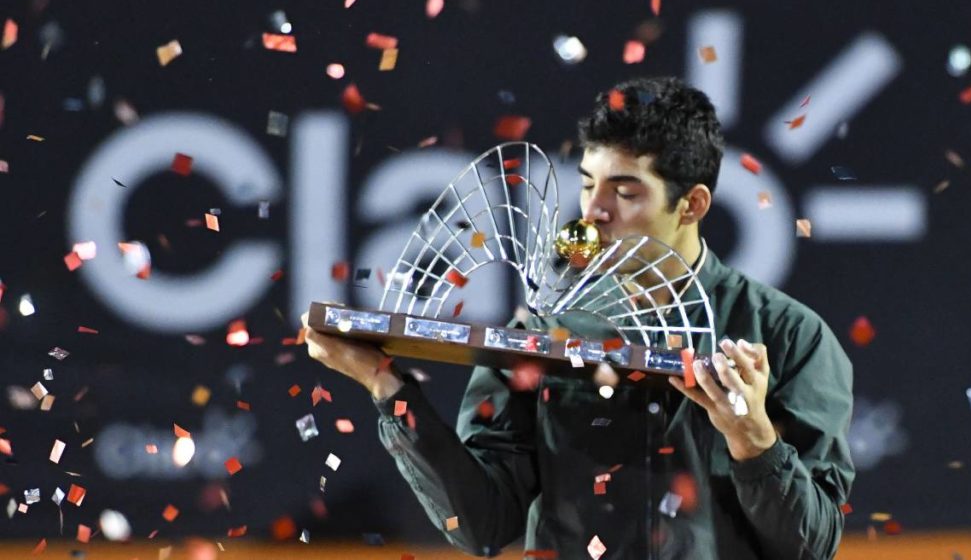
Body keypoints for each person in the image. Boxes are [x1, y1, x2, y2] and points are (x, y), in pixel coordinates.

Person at [302, 76, 854, 560]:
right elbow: (481, 525)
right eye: (589, 184)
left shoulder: (788, 338)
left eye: (625, 192)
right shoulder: (543, 329)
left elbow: (811, 546)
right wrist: (386, 385)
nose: (594, 212)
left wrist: (754, 441)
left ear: (692, 205)